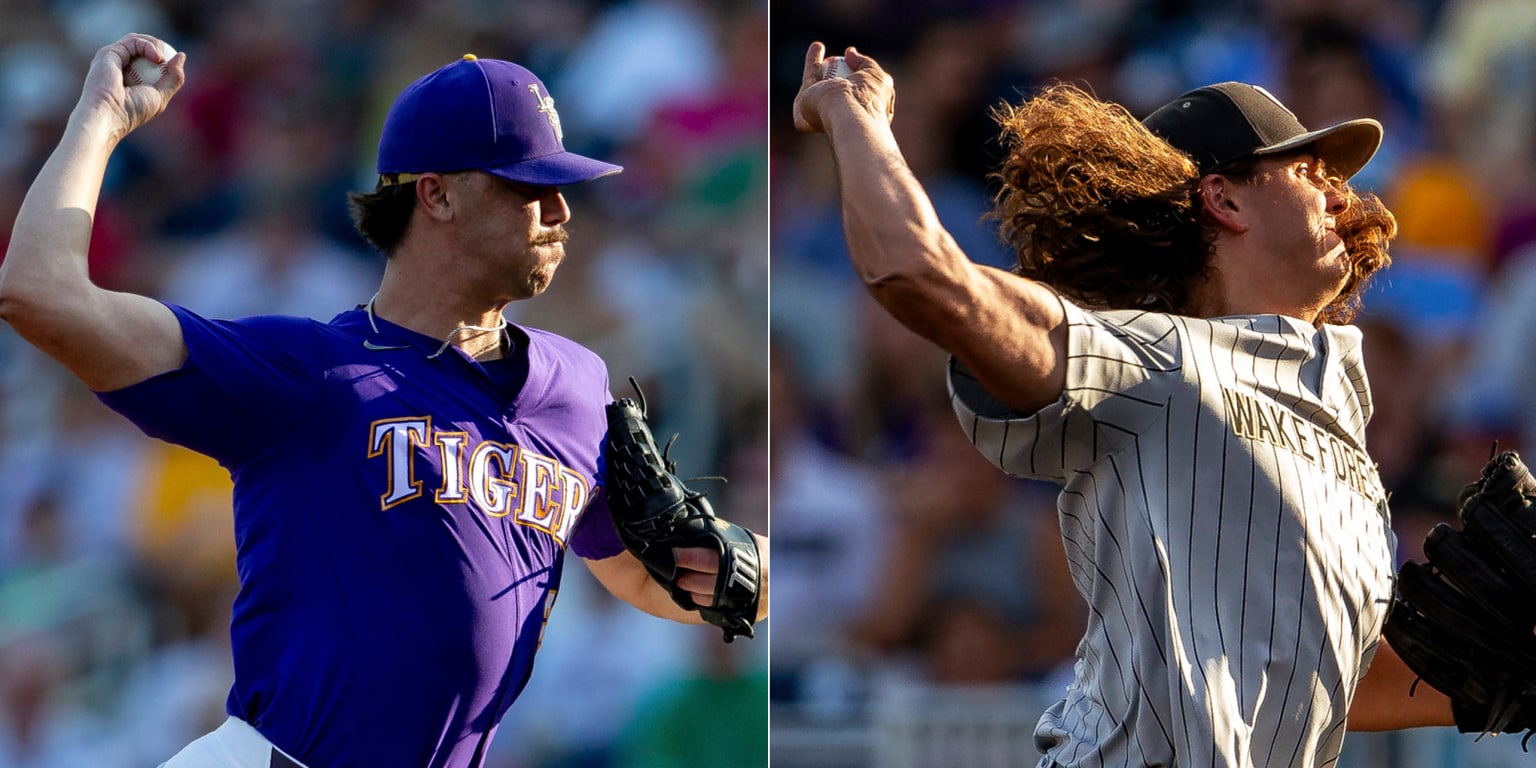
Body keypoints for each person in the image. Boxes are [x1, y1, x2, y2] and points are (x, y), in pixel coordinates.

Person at [0, 33, 768, 768]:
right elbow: (39, 293)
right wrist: (99, 121)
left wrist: (745, 571)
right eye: (529, 186)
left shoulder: (577, 390)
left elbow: (651, 578)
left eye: (562, 188)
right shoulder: (308, 373)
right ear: (435, 195)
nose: (561, 211)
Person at [793, 42, 1455, 767]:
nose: (1338, 194)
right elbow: (917, 272)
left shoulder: (1337, 397)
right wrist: (856, 118)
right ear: (1224, 198)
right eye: (1306, 170)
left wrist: (1494, 673)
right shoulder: (1148, 356)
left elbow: (1326, 681)